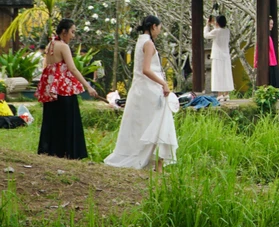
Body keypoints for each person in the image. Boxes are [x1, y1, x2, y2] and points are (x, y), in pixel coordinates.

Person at [105, 16, 178, 172]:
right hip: (149, 89)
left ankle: (151, 162)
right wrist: (163, 83)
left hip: (140, 89)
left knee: (142, 125)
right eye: (159, 27)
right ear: (153, 27)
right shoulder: (148, 43)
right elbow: (146, 69)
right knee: (160, 124)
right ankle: (158, 166)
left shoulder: (140, 41)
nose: (159, 31)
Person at [36, 19, 99, 159]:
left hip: (51, 89)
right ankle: (68, 153)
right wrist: (88, 86)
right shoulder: (63, 47)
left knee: (52, 120)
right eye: (72, 32)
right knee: (68, 121)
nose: (73, 35)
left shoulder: (50, 44)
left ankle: (51, 151)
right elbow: (72, 68)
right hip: (64, 89)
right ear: (64, 32)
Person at [203, 14, 234, 102]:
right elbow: (219, 30)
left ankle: (220, 95)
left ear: (217, 23)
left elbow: (206, 35)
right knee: (226, 74)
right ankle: (226, 94)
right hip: (226, 56)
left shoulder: (216, 32)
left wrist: (207, 25)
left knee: (218, 74)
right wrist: (214, 24)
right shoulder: (227, 31)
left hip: (217, 56)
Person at [254, 17, 279, 97]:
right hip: (269, 63)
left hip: (273, 62)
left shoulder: (268, 37)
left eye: (272, 24)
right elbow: (258, 50)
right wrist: (256, 62)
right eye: (270, 24)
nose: (271, 26)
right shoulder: (264, 37)